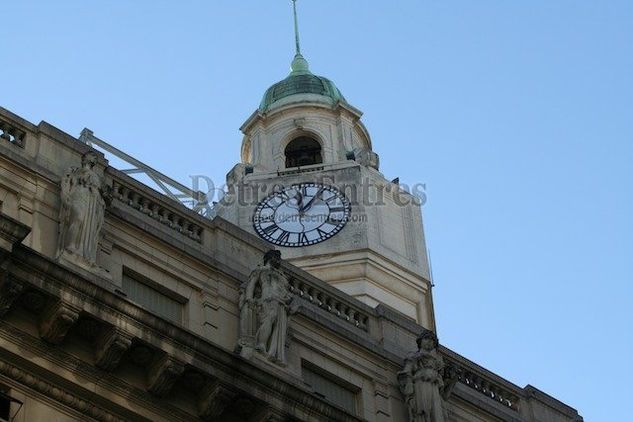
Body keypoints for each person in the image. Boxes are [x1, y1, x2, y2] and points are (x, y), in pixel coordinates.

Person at [58, 151, 108, 265]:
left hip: (90, 201)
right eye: (91, 156)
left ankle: (80, 250)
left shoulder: (95, 176)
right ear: (85, 158)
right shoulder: (74, 171)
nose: (93, 159)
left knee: (86, 225)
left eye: (95, 158)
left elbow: (98, 192)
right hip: (78, 195)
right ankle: (70, 245)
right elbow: (66, 183)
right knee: (78, 218)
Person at [398, 330, 450, 422]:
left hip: (434, 388)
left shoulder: (437, 362)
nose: (429, 341)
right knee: (423, 410)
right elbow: (406, 372)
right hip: (421, 385)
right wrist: (409, 387)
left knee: (437, 414)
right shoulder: (414, 356)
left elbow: (443, 390)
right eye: (426, 338)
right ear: (420, 341)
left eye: (432, 340)